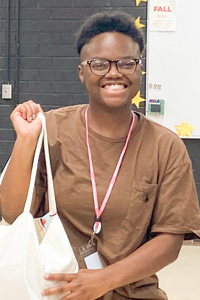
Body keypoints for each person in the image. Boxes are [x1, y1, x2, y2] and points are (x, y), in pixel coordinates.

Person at [0, 10, 200, 300]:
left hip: (134, 294)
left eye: (127, 62)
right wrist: (27, 140)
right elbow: (11, 212)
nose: (114, 72)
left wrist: (103, 280)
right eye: (99, 64)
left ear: (139, 69)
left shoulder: (165, 146)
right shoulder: (52, 130)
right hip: (57, 292)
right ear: (82, 72)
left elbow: (170, 240)